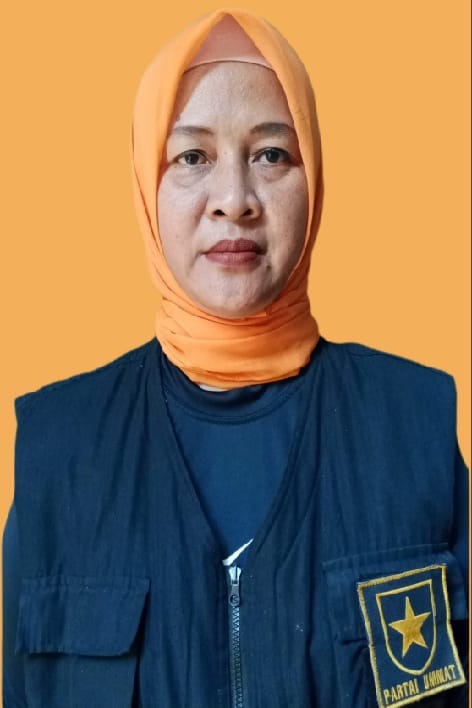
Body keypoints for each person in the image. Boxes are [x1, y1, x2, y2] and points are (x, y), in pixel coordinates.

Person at [2, 8, 468, 707]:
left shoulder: (416, 424)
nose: (234, 201)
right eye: (192, 157)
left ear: (315, 178)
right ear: (146, 185)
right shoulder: (58, 447)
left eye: (271, 154)